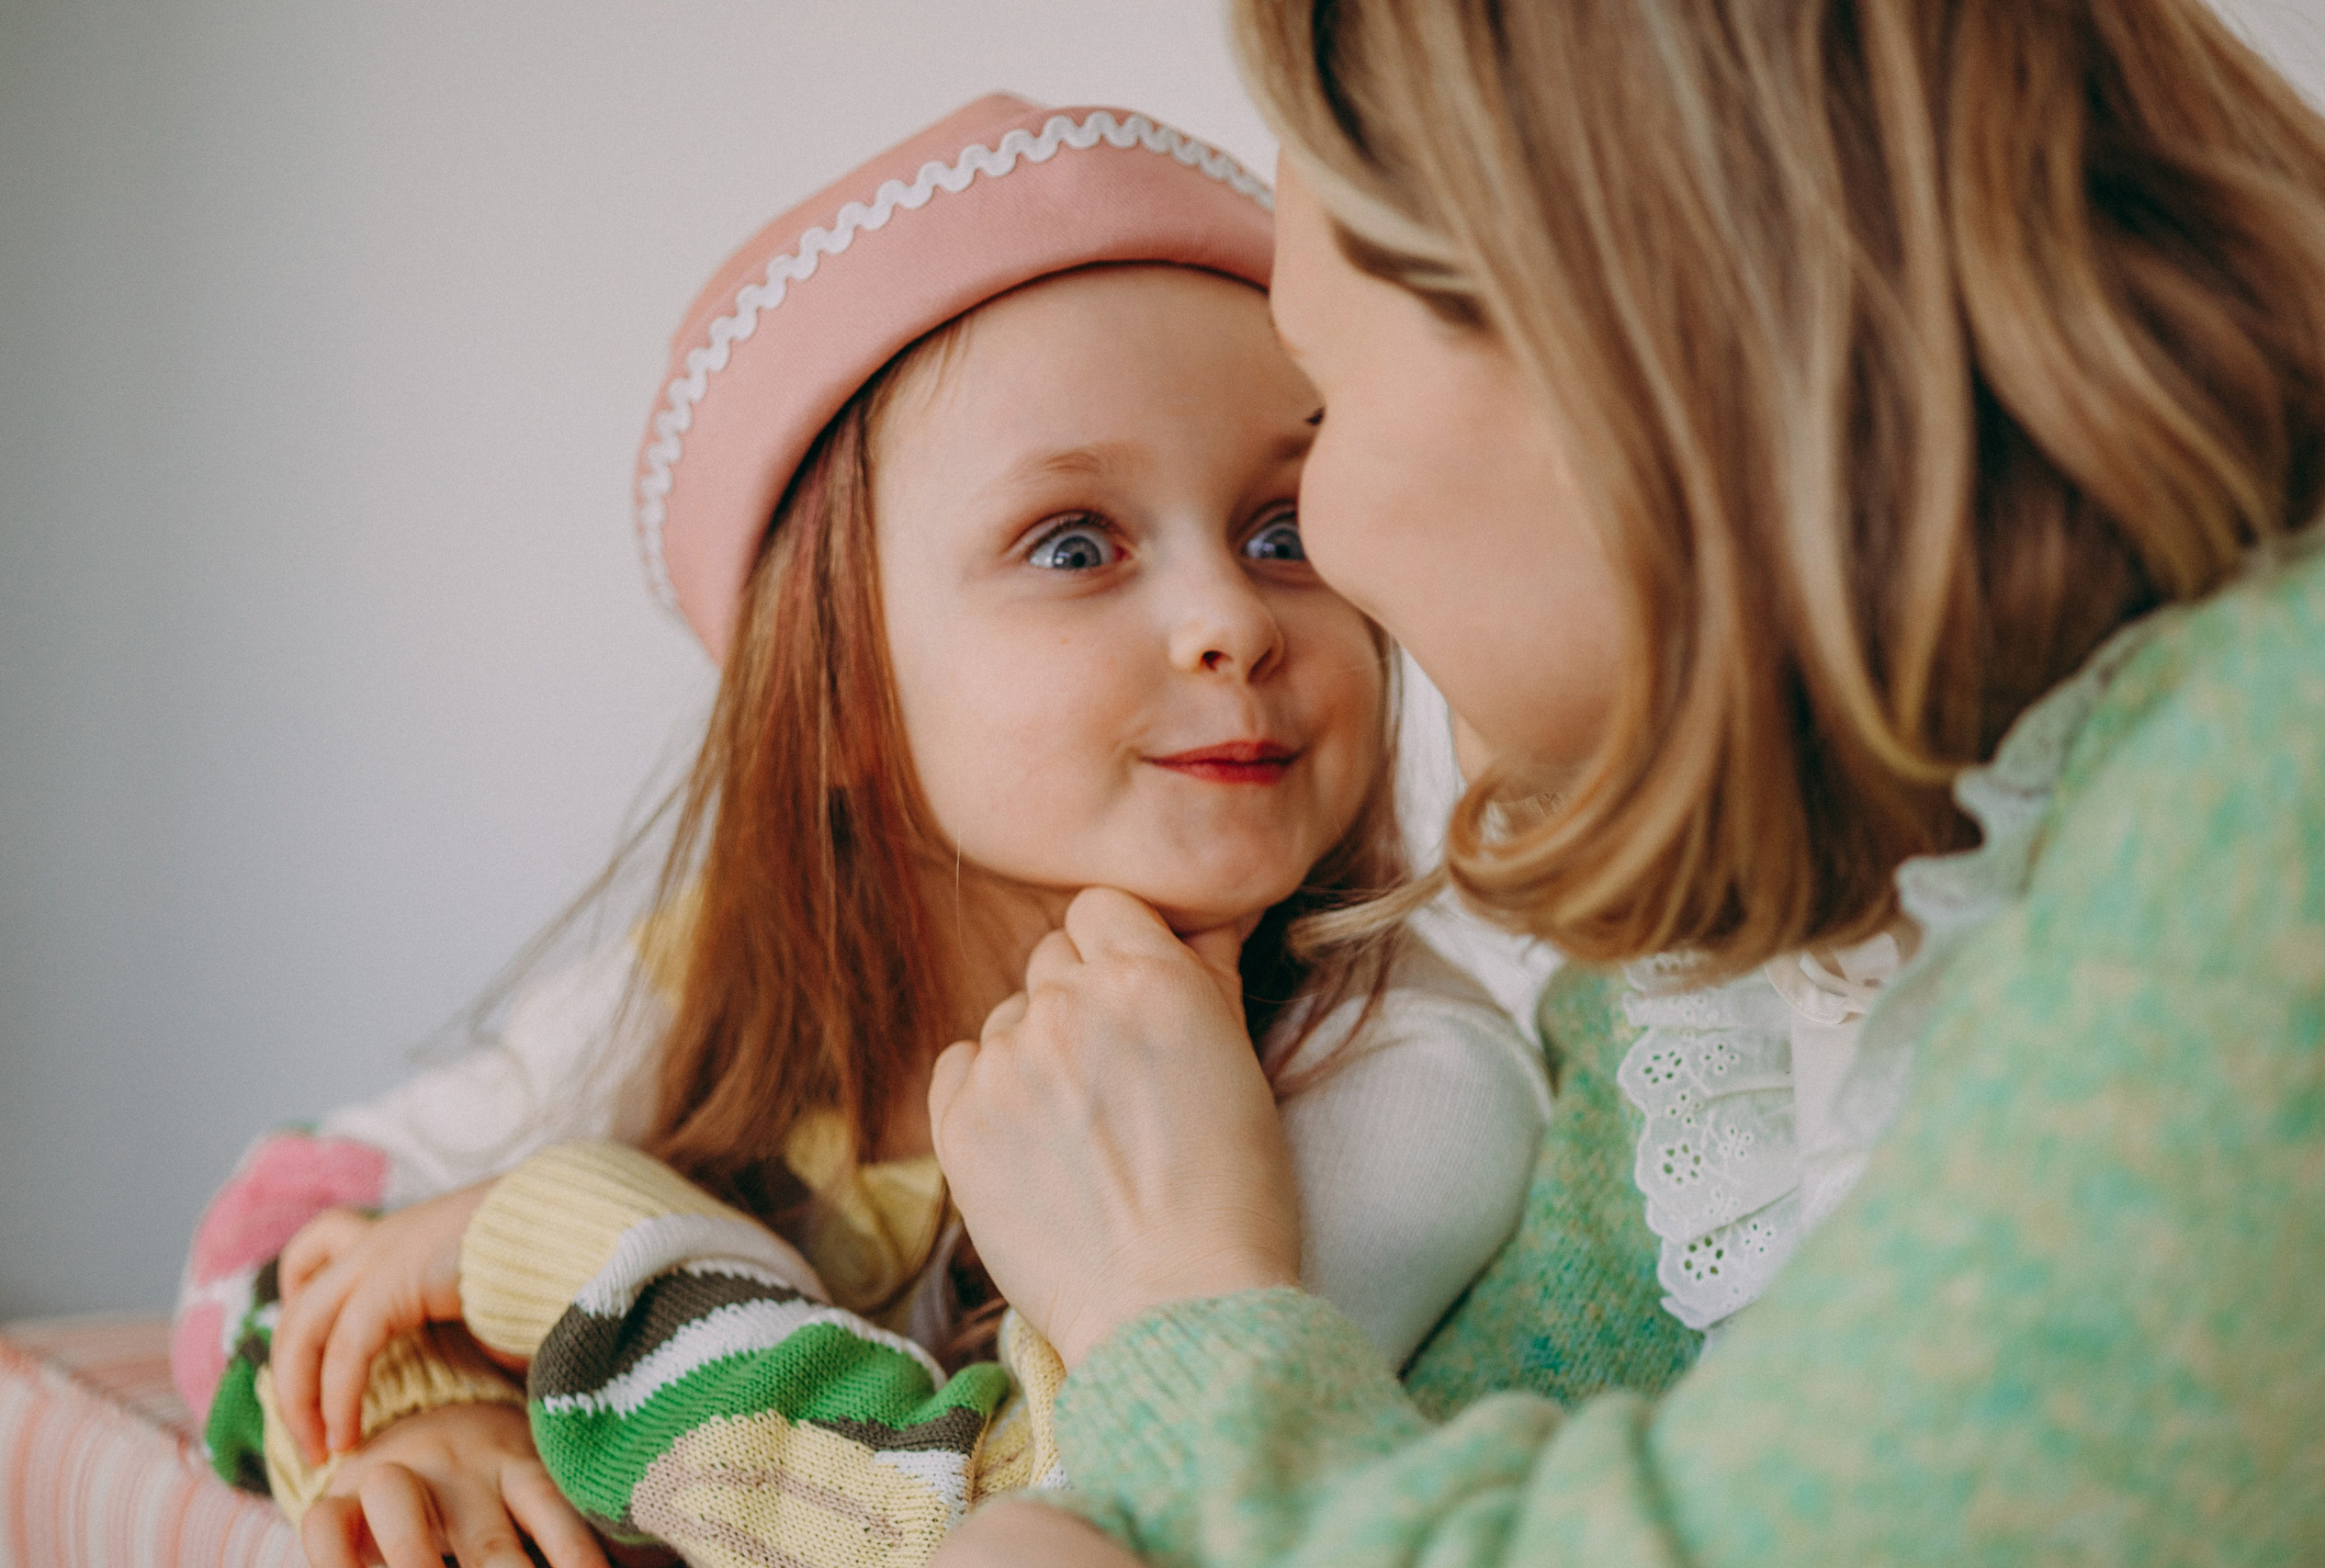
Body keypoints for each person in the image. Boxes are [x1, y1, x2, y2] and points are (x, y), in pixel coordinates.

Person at [925, 3, 2325, 1564]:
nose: (1309, 570)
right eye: (1072, 550)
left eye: (1321, 415)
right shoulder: (1741, 981)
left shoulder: (2287, 763)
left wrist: (1166, 1301)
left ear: (1623, 353)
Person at [168, 96, 1545, 1568]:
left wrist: (561, 1248)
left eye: (1283, 531)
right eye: (1075, 544)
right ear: (840, 697)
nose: (1229, 621)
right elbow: (272, 1238)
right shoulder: (699, 986)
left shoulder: (1407, 1081)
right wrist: (432, 1407)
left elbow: (1024, 1512)